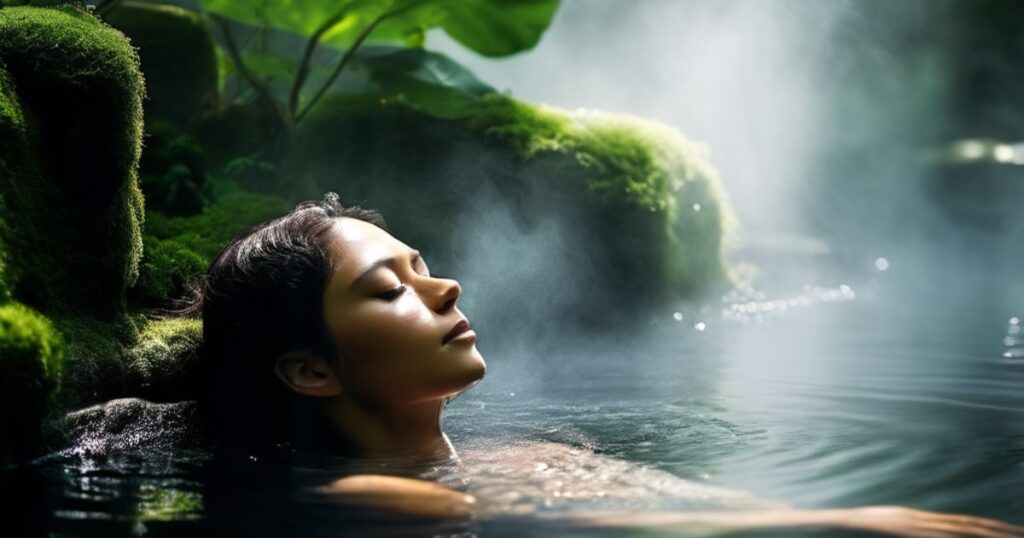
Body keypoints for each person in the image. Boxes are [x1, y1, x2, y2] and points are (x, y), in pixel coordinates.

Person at [184, 192, 1023, 537]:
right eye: (388, 288)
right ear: (310, 372)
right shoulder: (364, 492)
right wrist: (840, 525)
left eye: (422, 263)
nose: (444, 287)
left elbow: (684, 504)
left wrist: (846, 516)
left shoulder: (507, 456)